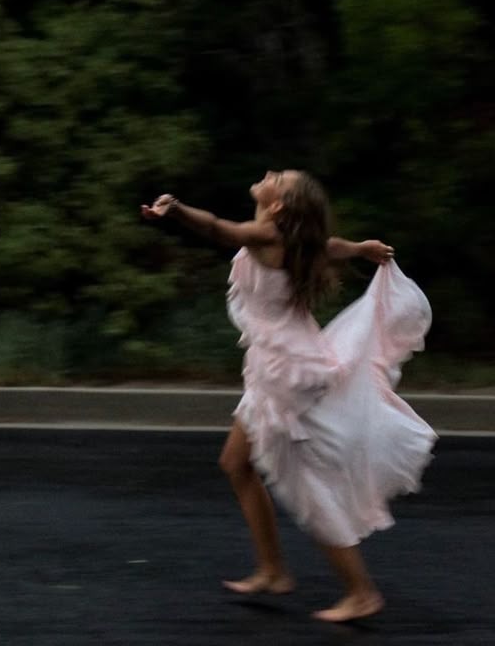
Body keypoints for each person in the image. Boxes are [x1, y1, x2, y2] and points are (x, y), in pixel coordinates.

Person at [141, 169, 436, 623]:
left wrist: (176, 209)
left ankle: (361, 591)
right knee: (236, 464)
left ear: (277, 205)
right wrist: (360, 249)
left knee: (303, 483)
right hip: (281, 365)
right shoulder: (298, 241)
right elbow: (330, 247)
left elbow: (219, 228)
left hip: (286, 373)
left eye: (279, 178)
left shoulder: (265, 235)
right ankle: (273, 570)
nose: (269, 174)